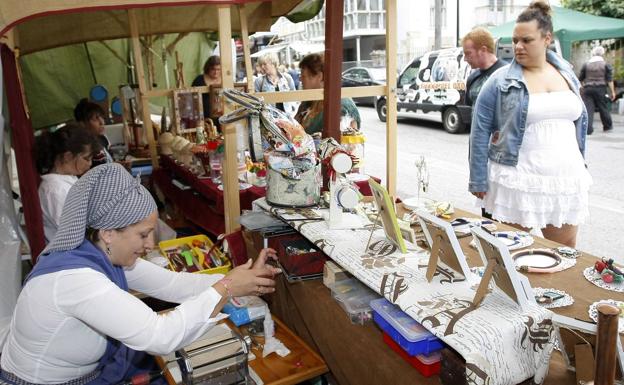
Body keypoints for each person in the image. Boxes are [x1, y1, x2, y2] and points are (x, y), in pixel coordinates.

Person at [0, 163, 280, 384]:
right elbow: (160, 335)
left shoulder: (97, 253)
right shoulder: (76, 279)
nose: (150, 245)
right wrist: (228, 287)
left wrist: (240, 277)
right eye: (143, 234)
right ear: (108, 233)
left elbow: (173, 283)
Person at [469, 1, 592, 248]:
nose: (518, 46)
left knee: (563, 256)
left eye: (526, 40)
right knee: (510, 256)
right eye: (515, 40)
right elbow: (480, 128)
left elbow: (577, 122)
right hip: (518, 181)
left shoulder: (566, 72)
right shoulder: (500, 80)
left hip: (564, 182)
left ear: (547, 39)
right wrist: (478, 179)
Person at [34, 123, 101, 243]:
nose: (90, 163)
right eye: (86, 158)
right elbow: (74, 233)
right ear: (68, 156)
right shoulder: (55, 190)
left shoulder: (66, 181)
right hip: (73, 254)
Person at [294, 53, 361, 136]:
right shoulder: (309, 100)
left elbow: (348, 144)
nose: (300, 79)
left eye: (303, 76)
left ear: (319, 76)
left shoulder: (341, 106)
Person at [462, 27, 506, 107]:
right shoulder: (472, 78)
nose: (465, 59)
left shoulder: (507, 74)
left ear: (483, 50)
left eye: (468, 53)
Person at [579, 46, 615, 134]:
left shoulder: (586, 64)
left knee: (588, 109)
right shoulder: (605, 64)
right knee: (603, 107)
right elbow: (609, 79)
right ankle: (607, 126)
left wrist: (583, 87)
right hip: (600, 88)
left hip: (588, 88)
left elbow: (580, 78)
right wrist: (613, 92)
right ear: (602, 54)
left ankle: (588, 129)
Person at [254, 52, 297, 116]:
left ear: (273, 64)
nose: (262, 67)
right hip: (269, 120)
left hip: (287, 118)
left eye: (265, 64)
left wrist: (292, 109)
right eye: (261, 65)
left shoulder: (287, 78)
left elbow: (294, 95)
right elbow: (257, 102)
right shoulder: (259, 81)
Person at [74, 99, 112, 167]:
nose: (102, 122)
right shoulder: (83, 148)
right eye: (95, 119)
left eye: (102, 117)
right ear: (82, 124)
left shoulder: (103, 139)